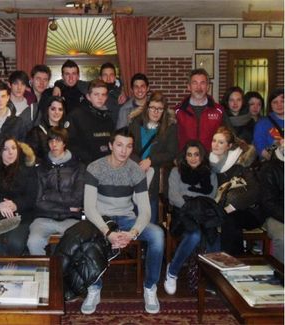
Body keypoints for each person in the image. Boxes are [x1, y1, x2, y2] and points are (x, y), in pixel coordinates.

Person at [83, 127, 164, 315]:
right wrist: (108, 233)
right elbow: (89, 208)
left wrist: (132, 233)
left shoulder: (135, 171)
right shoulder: (94, 168)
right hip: (102, 219)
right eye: (119, 145)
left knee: (158, 235)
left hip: (127, 219)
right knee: (87, 237)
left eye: (128, 146)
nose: (123, 150)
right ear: (111, 145)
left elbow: (145, 211)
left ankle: (150, 287)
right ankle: (94, 287)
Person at [164, 140, 218, 295]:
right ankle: (172, 271)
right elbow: (173, 196)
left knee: (214, 235)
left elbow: (212, 195)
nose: (193, 158)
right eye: (189, 155)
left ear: (202, 156)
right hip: (183, 212)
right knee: (194, 235)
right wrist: (191, 207)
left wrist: (199, 208)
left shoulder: (210, 173)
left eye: (196, 154)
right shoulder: (177, 171)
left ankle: (211, 278)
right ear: (184, 156)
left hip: (203, 212)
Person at [27, 127, 85, 255]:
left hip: (71, 219)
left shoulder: (78, 167)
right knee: (33, 242)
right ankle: (42, 273)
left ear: (64, 143)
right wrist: (67, 208)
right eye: (51, 141)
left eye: (58, 141)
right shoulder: (40, 168)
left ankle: (64, 274)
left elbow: (77, 200)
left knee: (77, 246)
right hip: (44, 218)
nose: (54, 144)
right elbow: (38, 201)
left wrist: (48, 195)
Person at [209, 126, 265, 255]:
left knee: (229, 219)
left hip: (250, 210)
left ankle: (233, 261)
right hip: (222, 209)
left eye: (221, 142)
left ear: (229, 146)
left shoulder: (241, 162)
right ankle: (210, 261)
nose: (216, 145)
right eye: (214, 140)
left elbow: (255, 191)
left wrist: (234, 205)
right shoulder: (210, 163)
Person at [128, 91, 177, 224]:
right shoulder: (135, 124)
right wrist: (139, 163)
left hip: (154, 180)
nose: (155, 112)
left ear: (164, 111)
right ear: (147, 107)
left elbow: (171, 153)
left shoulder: (170, 128)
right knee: (133, 218)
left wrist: (151, 160)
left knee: (150, 220)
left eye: (160, 109)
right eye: (153, 108)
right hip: (134, 175)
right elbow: (128, 147)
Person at [175, 69, 231, 151]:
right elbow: (172, 140)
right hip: (186, 160)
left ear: (208, 87)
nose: (199, 87)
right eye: (195, 83)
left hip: (211, 160)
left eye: (202, 83)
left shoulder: (219, 111)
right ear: (189, 87)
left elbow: (229, 136)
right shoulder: (178, 111)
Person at [67, 80, 114, 164]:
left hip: (107, 165)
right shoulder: (76, 115)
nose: (100, 98)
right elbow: (70, 144)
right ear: (88, 96)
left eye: (103, 95)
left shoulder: (109, 119)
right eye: (96, 94)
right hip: (84, 166)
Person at [258, 145, 284, 263]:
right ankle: (282, 276)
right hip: (276, 217)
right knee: (283, 239)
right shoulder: (269, 168)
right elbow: (268, 203)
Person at [26, 96, 67, 162]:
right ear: (47, 110)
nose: (57, 112)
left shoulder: (66, 131)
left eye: (60, 109)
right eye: (53, 109)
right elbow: (31, 157)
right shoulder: (36, 132)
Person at [253, 88, 284, 160]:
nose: (279, 105)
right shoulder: (263, 123)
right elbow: (261, 150)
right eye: (275, 102)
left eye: (282, 101)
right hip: (275, 166)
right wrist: (277, 144)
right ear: (270, 105)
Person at [99, 62, 126, 126]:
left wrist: (123, 90)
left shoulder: (122, 95)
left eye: (111, 75)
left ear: (115, 77)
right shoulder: (93, 92)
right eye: (105, 75)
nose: (108, 79)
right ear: (100, 78)